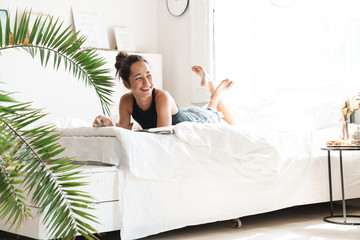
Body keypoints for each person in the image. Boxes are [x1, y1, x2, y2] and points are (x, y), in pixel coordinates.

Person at [93, 51, 236, 130]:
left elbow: (161, 136)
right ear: (126, 84)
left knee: (217, 115)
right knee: (210, 109)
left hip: (195, 119)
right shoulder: (126, 101)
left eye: (149, 75)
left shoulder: (162, 97)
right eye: (139, 78)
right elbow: (123, 133)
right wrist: (109, 126)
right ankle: (209, 86)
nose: (147, 82)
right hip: (181, 112)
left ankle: (212, 90)